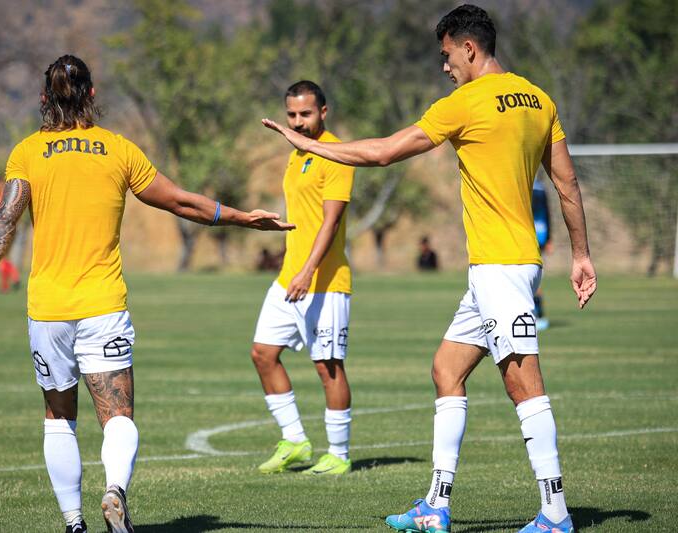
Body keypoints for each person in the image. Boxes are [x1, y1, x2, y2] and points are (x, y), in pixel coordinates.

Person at [262, 5, 596, 532]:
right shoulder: (539, 98)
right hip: (505, 268)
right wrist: (580, 253)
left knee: (524, 385)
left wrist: (310, 145)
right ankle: (436, 507)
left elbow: (384, 153)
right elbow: (568, 184)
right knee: (446, 371)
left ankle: (555, 514)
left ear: (468, 47)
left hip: (500, 270)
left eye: (446, 55)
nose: (444, 66)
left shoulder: (463, 102)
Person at [0, 55, 293, 533]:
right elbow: (181, 201)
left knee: (59, 418)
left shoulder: (27, 153)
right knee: (117, 414)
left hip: (48, 309)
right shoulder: (118, 150)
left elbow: (4, 217)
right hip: (103, 305)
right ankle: (115, 489)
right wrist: (244, 217)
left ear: (43, 99)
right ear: (93, 96)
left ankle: (74, 523)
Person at [251, 81, 355, 476]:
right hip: (288, 278)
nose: (298, 121)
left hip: (325, 283)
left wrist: (308, 270)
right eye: (292, 115)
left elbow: (330, 222)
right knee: (263, 353)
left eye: (305, 114)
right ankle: (295, 441)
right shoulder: (297, 156)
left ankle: (339, 454)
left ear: (323, 112)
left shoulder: (337, 154)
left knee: (328, 366)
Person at [532, 176, 551, 330]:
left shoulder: (525, 186)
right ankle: (538, 314)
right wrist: (549, 237)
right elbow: (547, 214)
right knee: (536, 273)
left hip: (529, 232)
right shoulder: (541, 188)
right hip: (542, 232)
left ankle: (537, 315)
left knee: (532, 274)